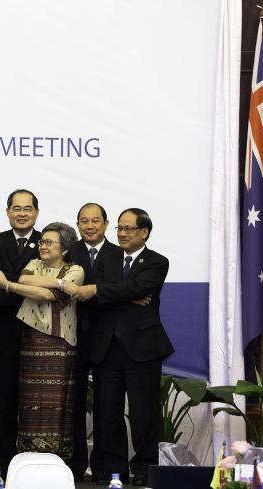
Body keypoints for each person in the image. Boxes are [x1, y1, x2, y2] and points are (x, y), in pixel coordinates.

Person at [68, 208, 171, 487]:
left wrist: (109, 291)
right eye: (120, 229)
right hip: (107, 347)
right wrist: (123, 292)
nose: (122, 234)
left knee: (143, 413)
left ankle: (144, 467)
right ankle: (114, 469)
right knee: (107, 412)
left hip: (143, 348)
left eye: (129, 229)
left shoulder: (157, 261)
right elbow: (102, 294)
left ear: (144, 232)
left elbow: (137, 288)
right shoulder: (108, 258)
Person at [0, 222, 83, 462]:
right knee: (30, 402)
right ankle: (29, 457)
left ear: (65, 248)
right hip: (31, 340)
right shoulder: (33, 264)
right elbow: (26, 281)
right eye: (42, 241)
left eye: (49, 242)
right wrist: (59, 282)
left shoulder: (76, 270)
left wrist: (6, 286)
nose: (43, 246)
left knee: (57, 401)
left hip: (60, 342)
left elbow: (45, 295)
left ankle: (57, 460)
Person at [0, 189, 42, 475]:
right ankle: (7, 461)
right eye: (16, 208)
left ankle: (37, 457)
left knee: (36, 400)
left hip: (39, 332)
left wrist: (4, 288)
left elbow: (40, 284)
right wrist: (23, 287)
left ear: (36, 212)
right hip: (2, 331)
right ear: (8, 212)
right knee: (7, 399)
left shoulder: (48, 242)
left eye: (28, 208)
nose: (22, 213)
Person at [68, 202, 119, 481]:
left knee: (106, 407)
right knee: (71, 405)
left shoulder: (118, 253)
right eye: (84, 221)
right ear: (78, 225)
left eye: (95, 221)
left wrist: (95, 292)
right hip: (72, 339)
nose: (90, 226)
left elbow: (120, 290)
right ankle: (74, 466)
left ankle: (102, 467)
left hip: (108, 339)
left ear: (105, 224)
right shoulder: (68, 252)